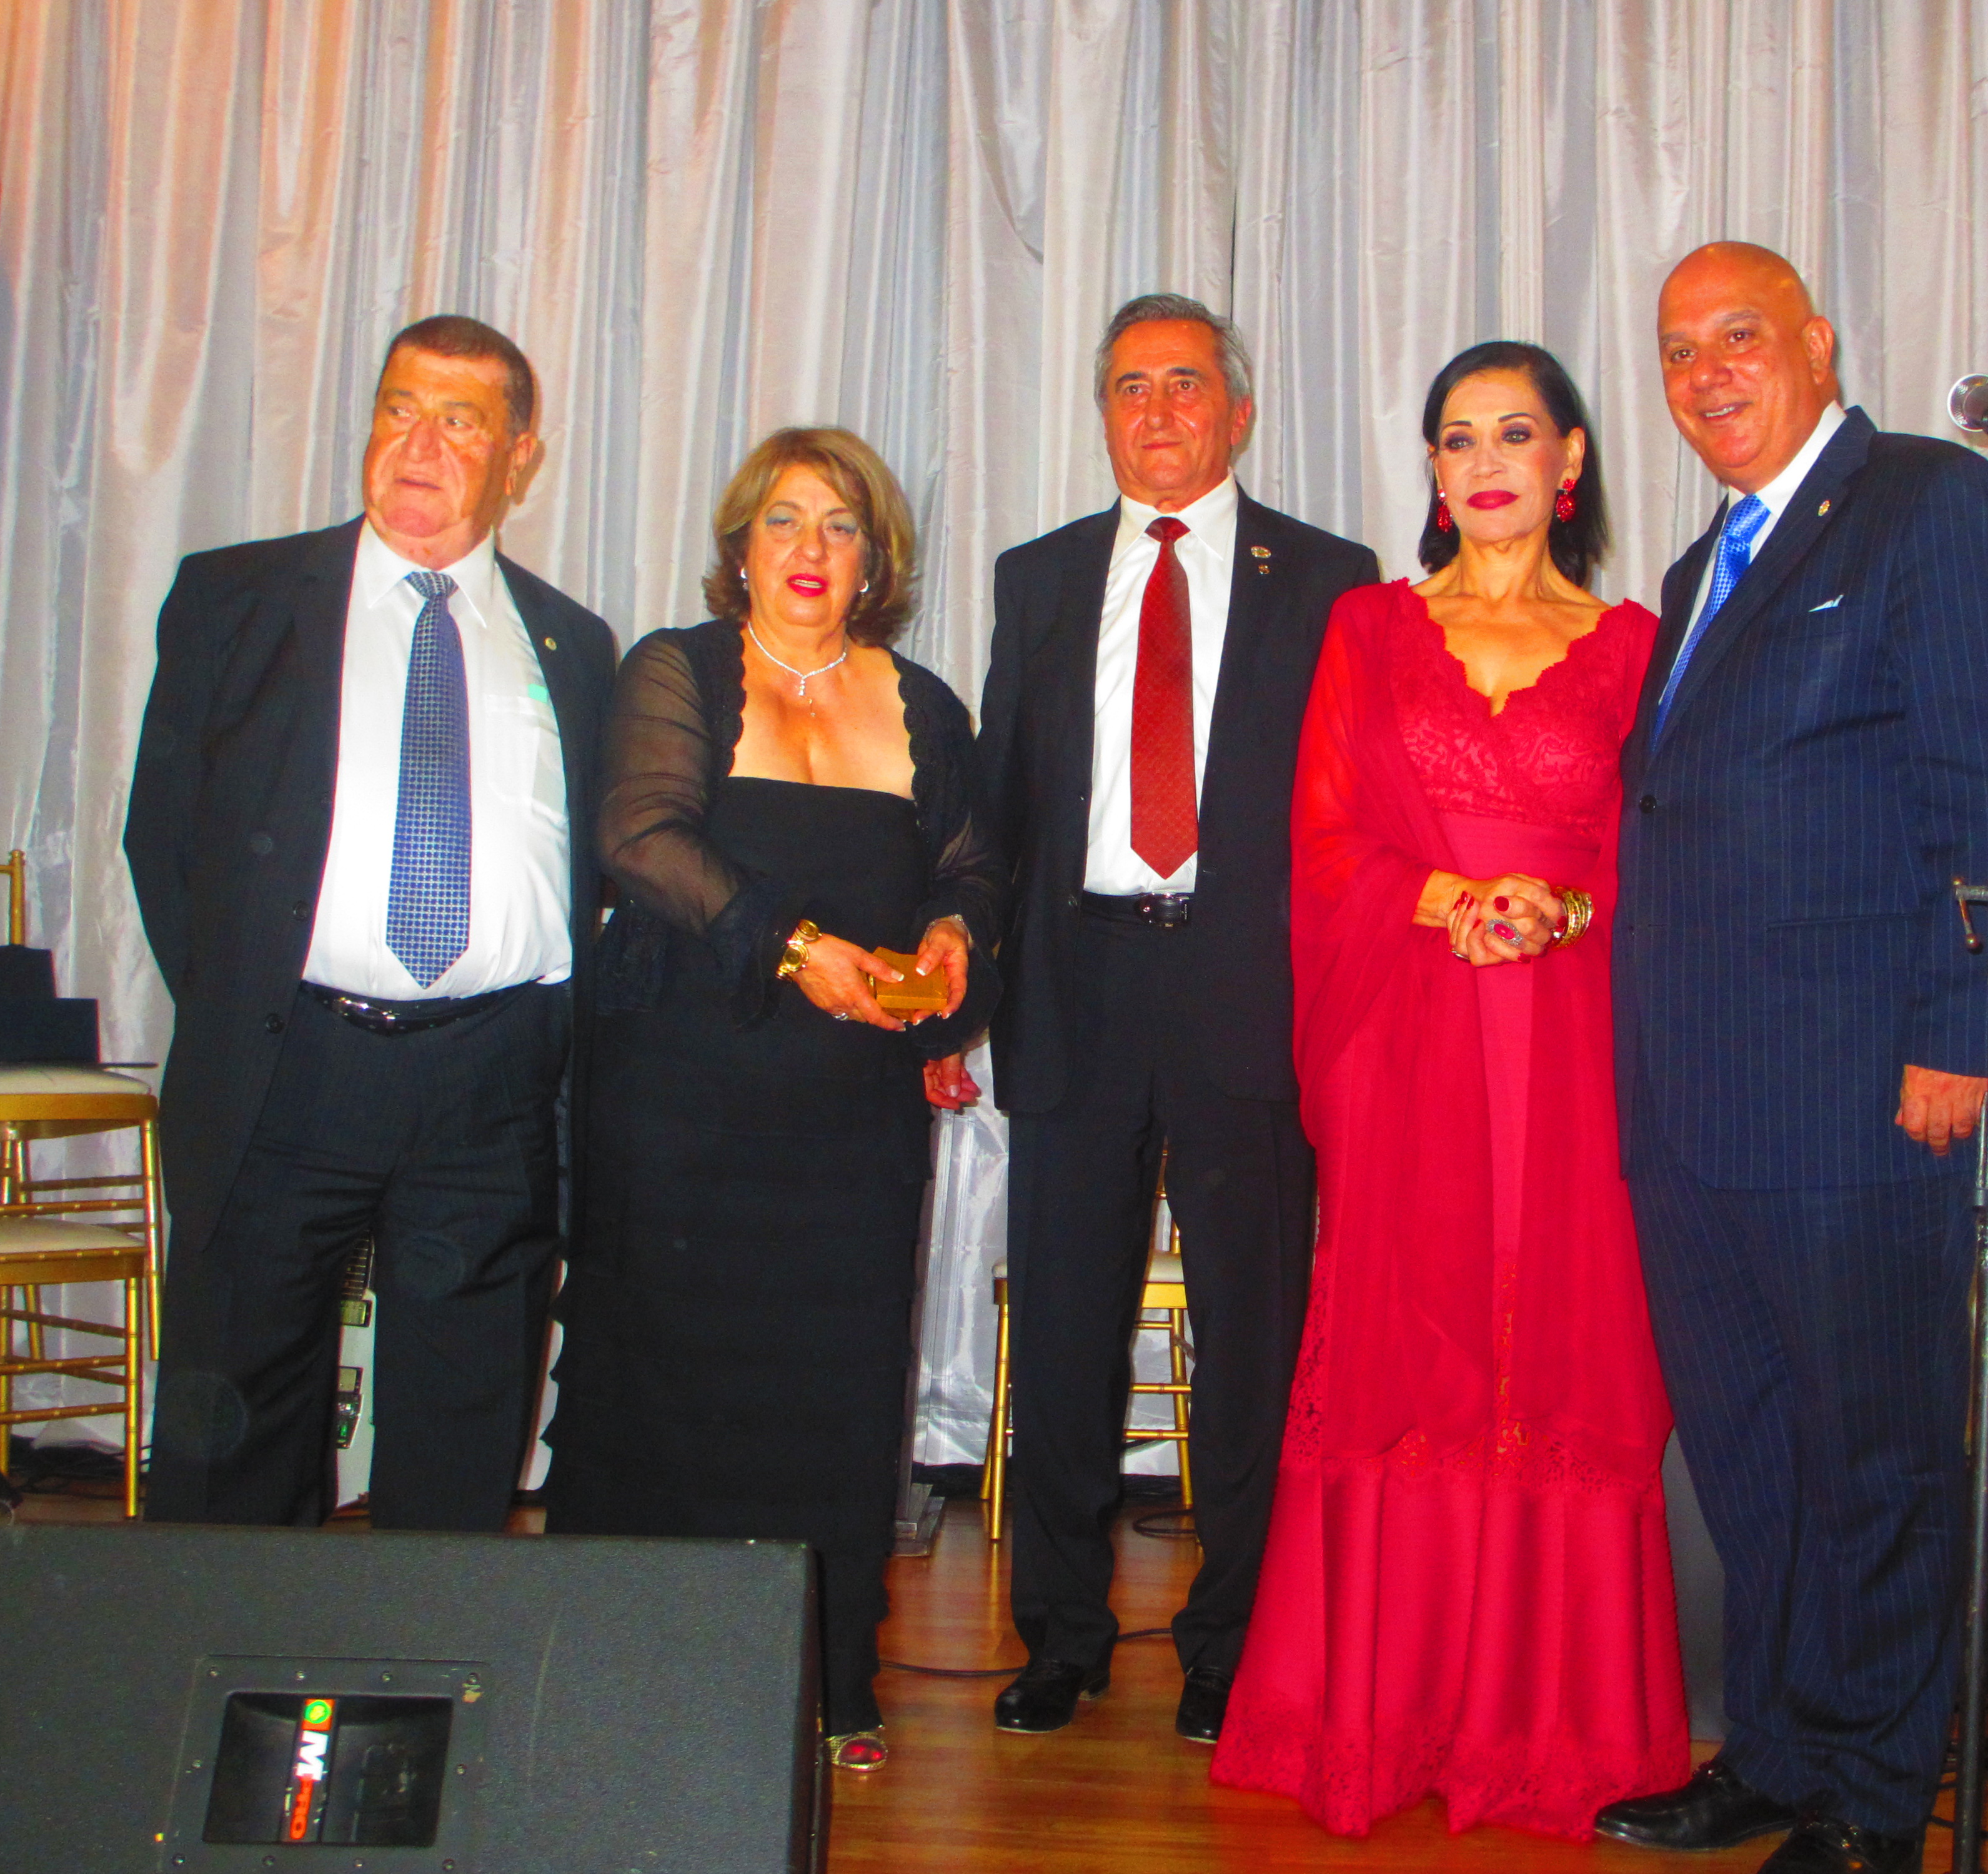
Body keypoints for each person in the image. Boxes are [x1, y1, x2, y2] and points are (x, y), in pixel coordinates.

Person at [1594, 244, 1988, 1874]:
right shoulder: (1693, 572)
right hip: (1694, 1107)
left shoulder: (1929, 505)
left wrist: (1964, 1033)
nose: (1708, 373)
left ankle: (1874, 1803)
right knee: (1748, 1457)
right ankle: (1782, 1751)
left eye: (1741, 337)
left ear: (1818, 343)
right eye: (1677, 352)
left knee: (1872, 1463)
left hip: (1863, 1096)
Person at [1210, 342, 1691, 1839]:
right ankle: (1382, 1712)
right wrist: (1444, 906)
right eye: (1453, 439)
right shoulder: (1365, 628)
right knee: (1405, 1354)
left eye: (1512, 433)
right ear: (1431, 473)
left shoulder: (1632, 644)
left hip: (1570, 1044)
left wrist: (1563, 914)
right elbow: (1326, 842)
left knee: (1560, 1351)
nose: (1481, 461)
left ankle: (1543, 1728)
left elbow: (1653, 862)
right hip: (1406, 1042)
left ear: (1569, 462)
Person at [541, 428, 1003, 1773]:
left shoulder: (923, 703)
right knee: (660, 1381)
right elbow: (639, 839)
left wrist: (956, 950)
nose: (809, 550)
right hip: (679, 1097)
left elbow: (970, 869)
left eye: (840, 526)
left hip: (847, 1120)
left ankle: (825, 1679)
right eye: (783, 521)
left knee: (835, 1388)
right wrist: (802, 953)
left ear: (875, 561)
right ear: (738, 544)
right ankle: (629, 1666)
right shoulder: (674, 671)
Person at [126, 315, 617, 1531]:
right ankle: (224, 1687)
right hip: (291, 1069)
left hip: (491, 1090)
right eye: (399, 407)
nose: (420, 442)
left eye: (460, 421)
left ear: (520, 457)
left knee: (462, 1424)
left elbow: (589, 868)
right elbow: (164, 840)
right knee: (234, 1416)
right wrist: (256, 1013)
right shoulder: (237, 599)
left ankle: (415, 1696)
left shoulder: (572, 645)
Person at [975, 294, 1379, 1743]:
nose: (1158, 411)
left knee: (1250, 1342)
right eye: (1131, 387)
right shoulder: (1035, 580)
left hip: (1246, 1002)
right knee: (1070, 1332)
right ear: (1102, 414)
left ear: (1238, 412)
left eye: (1185, 385)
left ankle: (1233, 1643)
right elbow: (997, 816)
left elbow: (1352, 817)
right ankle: (1061, 1636)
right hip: (1074, 991)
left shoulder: (1331, 580)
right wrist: (958, 999)